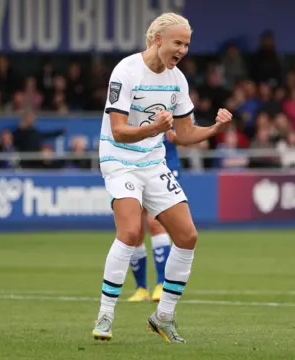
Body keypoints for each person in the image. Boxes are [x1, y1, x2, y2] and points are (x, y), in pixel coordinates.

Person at [92, 12, 232, 343]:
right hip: (119, 159)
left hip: (154, 163)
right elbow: (118, 132)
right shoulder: (126, 72)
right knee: (129, 231)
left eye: (186, 44)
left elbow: (183, 134)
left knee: (187, 236)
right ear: (158, 40)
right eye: (178, 43)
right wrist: (154, 128)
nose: (183, 50)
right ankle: (105, 315)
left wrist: (216, 129)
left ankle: (163, 316)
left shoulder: (177, 80)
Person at [127, 137, 182, 303]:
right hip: (134, 167)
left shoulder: (174, 109)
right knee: (134, 230)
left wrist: (176, 135)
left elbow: (187, 131)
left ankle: (162, 284)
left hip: (164, 165)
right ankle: (141, 288)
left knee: (155, 222)